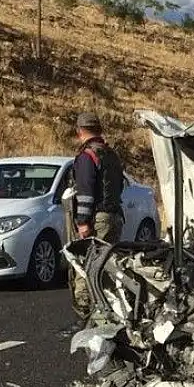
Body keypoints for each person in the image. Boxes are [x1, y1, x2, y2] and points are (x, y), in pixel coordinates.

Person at [65, 111, 126, 319]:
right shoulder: (110, 154)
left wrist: (82, 222)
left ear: (80, 131)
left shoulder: (87, 156)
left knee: (87, 265)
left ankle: (88, 313)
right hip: (115, 216)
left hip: (98, 219)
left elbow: (86, 192)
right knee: (107, 267)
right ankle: (111, 310)